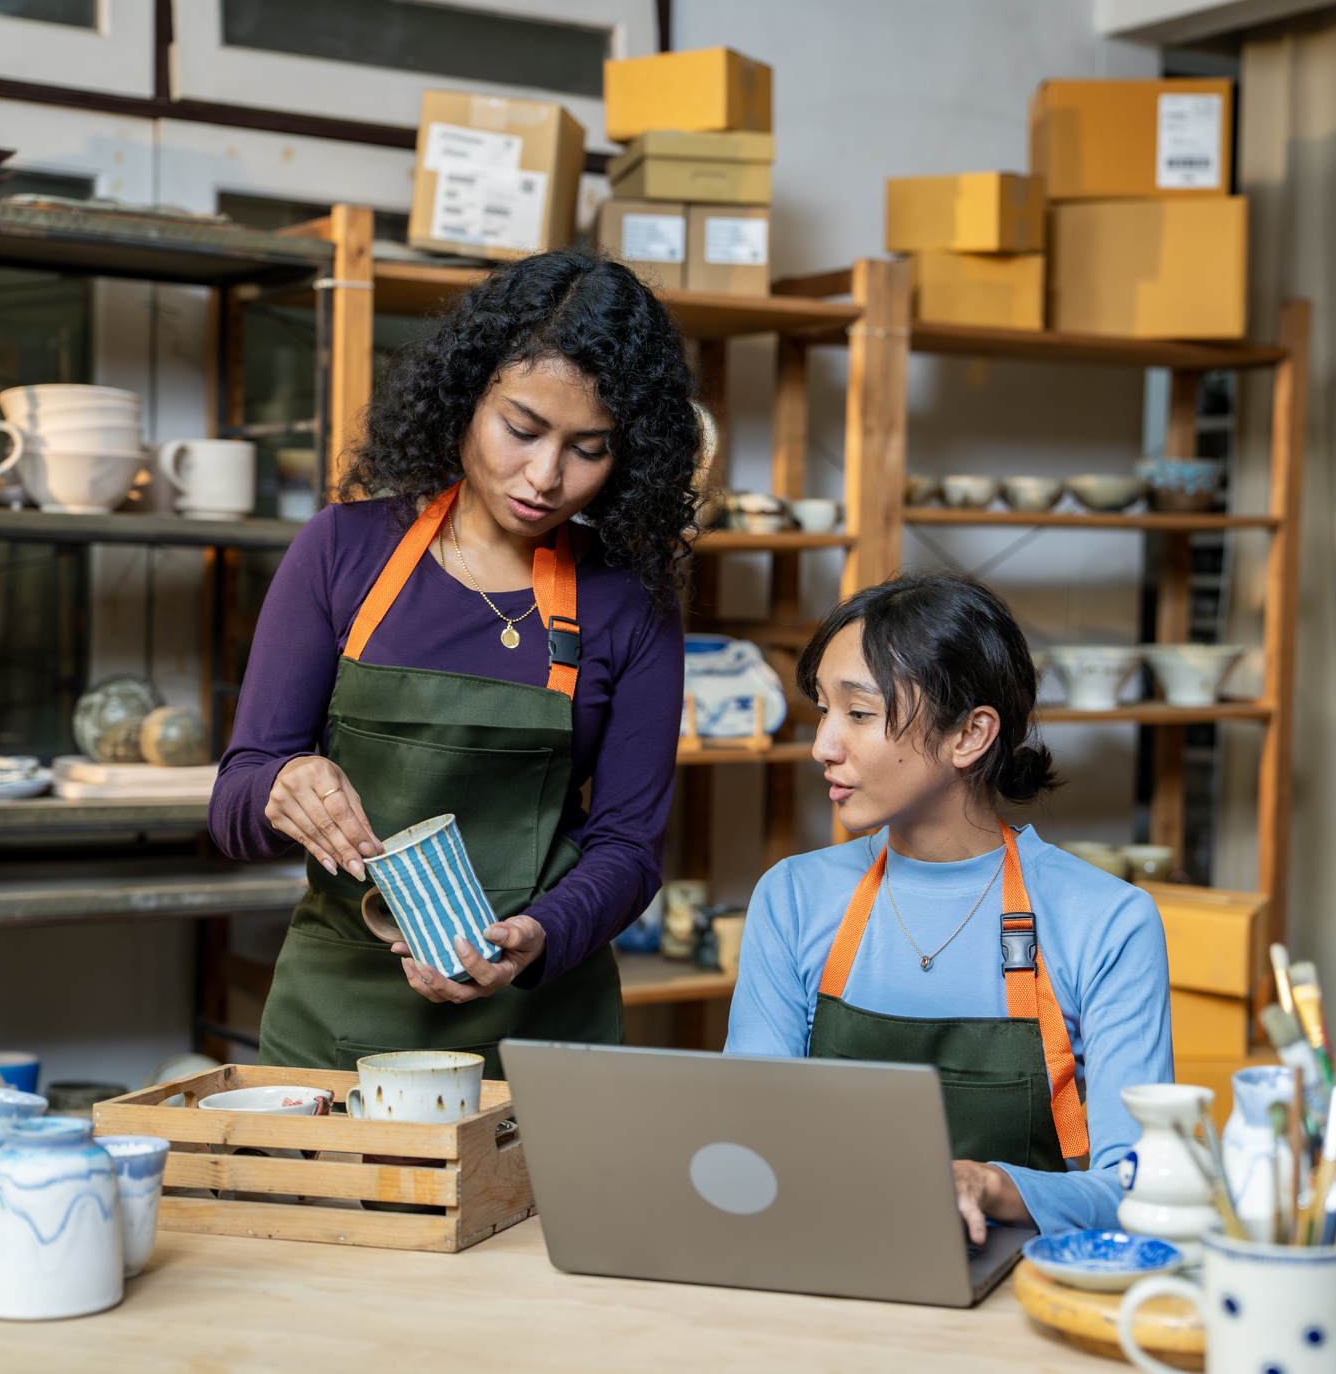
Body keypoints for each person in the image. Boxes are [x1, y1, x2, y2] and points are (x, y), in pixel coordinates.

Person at [211, 250, 699, 1075]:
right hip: (338, 1018)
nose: (544, 477)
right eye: (522, 430)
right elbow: (234, 804)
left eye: (588, 448)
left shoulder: (629, 600)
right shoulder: (341, 552)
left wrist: (539, 936)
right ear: (466, 396)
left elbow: (628, 845)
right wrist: (279, 783)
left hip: (540, 1025)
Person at [725, 572, 1173, 1238]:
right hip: (819, 1251)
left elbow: (1137, 1186)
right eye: (822, 709)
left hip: (1018, 1273)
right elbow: (748, 1142)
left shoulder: (1107, 921)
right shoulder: (791, 897)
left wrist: (989, 1185)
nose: (822, 745)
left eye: (858, 713)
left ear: (969, 735)